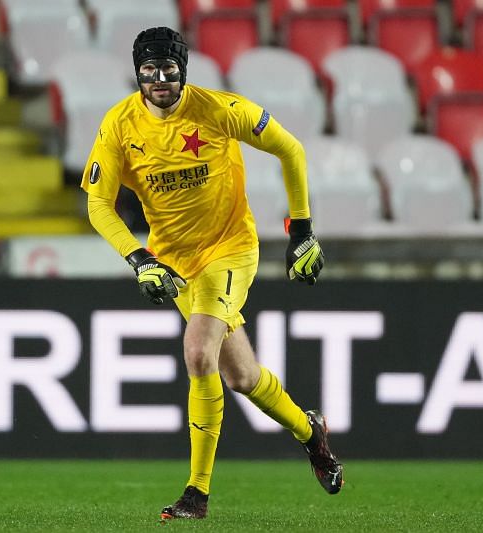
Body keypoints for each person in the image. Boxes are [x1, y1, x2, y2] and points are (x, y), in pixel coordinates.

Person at [81, 26, 343, 520]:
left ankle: (196, 494)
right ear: (137, 72)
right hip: (174, 261)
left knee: (199, 353)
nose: (160, 78)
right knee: (242, 377)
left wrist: (301, 231)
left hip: (230, 247)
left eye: (169, 69)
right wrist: (139, 259)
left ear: (184, 71)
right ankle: (311, 432)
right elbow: (98, 203)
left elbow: (291, 149)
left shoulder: (219, 110)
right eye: (150, 70)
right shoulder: (119, 125)